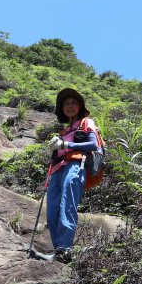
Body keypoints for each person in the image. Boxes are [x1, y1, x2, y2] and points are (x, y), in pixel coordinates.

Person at [45, 88, 100, 263]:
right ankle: (58, 250)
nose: (69, 106)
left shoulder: (86, 122)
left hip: (76, 165)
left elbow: (93, 144)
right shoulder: (63, 131)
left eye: (73, 103)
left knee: (67, 203)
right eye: (66, 104)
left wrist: (65, 144)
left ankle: (65, 249)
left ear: (80, 106)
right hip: (57, 170)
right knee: (52, 209)